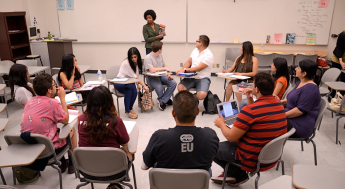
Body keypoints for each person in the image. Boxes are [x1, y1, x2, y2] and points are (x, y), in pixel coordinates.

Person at [212, 72, 287, 186]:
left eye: (252, 85)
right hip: (271, 156)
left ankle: (238, 174)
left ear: (256, 89)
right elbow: (257, 116)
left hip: (252, 158)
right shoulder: (279, 105)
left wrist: (221, 123)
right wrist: (249, 97)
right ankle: (235, 173)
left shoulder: (249, 111)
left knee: (212, 147)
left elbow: (231, 137)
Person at [142, 90, 219, 172]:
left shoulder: (159, 137)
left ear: (173, 113)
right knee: (207, 170)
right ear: (197, 111)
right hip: (197, 184)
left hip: (166, 184)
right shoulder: (210, 136)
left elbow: (146, 164)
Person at [21, 73, 77, 174]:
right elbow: (66, 119)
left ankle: (63, 162)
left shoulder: (28, 103)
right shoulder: (53, 103)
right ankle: (72, 164)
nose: (56, 86)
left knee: (54, 130)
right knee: (71, 129)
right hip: (47, 151)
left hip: (30, 148)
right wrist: (62, 98)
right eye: (54, 85)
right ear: (49, 90)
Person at [78, 86, 132, 189]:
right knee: (129, 152)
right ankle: (115, 183)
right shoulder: (116, 121)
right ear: (109, 102)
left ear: (89, 102)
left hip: (87, 171)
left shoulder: (81, 119)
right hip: (114, 172)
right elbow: (124, 141)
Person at [278, 60, 321, 138]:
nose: (295, 69)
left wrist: (279, 116)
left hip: (299, 125)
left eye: (298, 68)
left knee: (266, 125)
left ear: (304, 73)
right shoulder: (302, 82)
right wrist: (279, 102)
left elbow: (299, 111)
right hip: (291, 116)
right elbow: (295, 99)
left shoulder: (310, 89)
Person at [115, 47, 150, 119]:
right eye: (132, 57)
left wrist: (137, 84)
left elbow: (136, 74)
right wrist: (144, 86)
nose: (133, 59)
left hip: (129, 81)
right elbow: (135, 76)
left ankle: (130, 108)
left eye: (135, 57)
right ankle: (127, 111)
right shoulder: (126, 62)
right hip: (119, 81)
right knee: (128, 91)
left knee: (134, 90)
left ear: (138, 56)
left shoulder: (136, 63)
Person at [176, 35, 213, 100]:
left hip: (202, 78)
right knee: (180, 87)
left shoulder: (209, 55)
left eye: (197, 41)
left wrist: (184, 70)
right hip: (191, 77)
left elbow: (198, 68)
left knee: (202, 95)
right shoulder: (195, 50)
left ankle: (191, 99)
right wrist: (181, 71)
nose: (196, 42)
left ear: (201, 43)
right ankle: (191, 100)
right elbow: (189, 62)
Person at [145, 41, 176, 111]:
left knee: (173, 83)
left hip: (161, 75)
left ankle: (162, 100)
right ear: (159, 50)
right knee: (160, 87)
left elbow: (165, 65)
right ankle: (165, 100)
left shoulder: (160, 56)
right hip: (151, 77)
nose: (162, 50)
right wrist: (164, 68)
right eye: (161, 48)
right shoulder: (148, 57)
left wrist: (168, 74)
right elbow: (152, 70)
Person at [330, 30, 345, 98]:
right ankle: (331, 95)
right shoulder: (342, 35)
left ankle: (340, 97)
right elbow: (339, 49)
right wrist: (341, 62)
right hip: (337, 58)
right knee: (335, 78)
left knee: (344, 80)